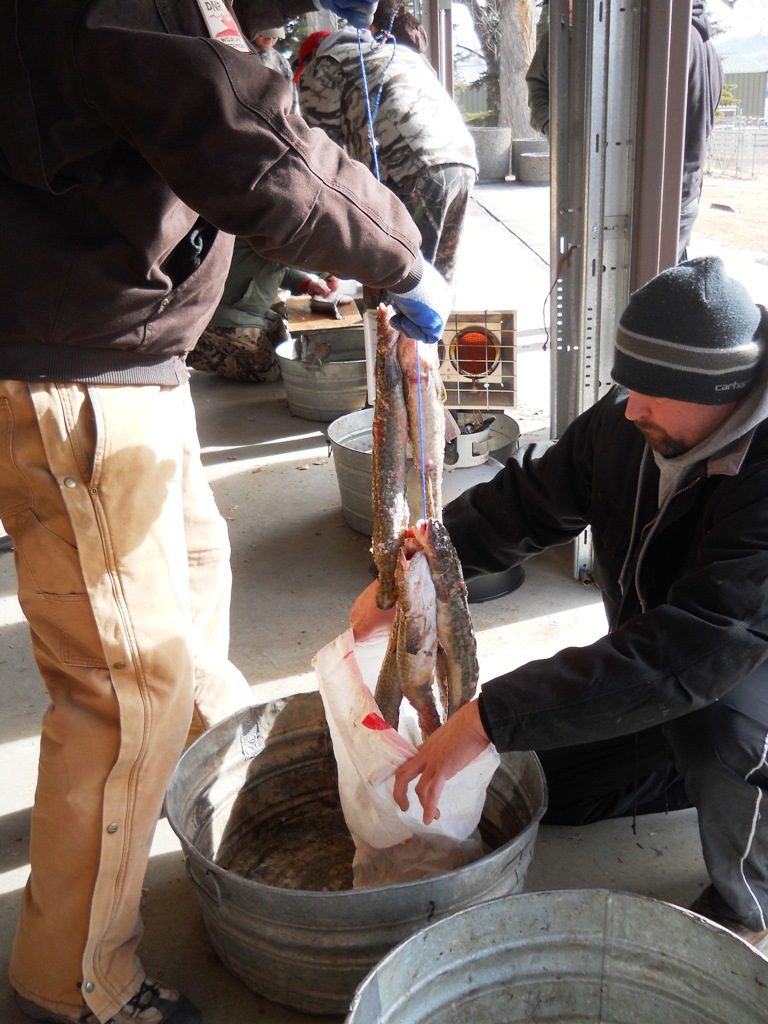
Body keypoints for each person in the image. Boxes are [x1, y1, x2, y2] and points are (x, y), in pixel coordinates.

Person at [1, 1, 452, 1022]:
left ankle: (224, 801)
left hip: (123, 351)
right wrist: (401, 256)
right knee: (126, 687)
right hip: (75, 369)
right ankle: (74, 985)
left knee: (196, 585)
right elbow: (251, 144)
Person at [354, 256, 768, 949]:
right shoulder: (629, 419)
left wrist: (489, 716)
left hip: (735, 669)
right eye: (629, 385)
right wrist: (410, 578)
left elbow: (696, 645)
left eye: (655, 393)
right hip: (666, 660)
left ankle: (750, 898)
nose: (631, 408)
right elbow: (528, 501)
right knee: (548, 789)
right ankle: (683, 767)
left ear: (722, 390)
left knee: (719, 730)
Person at [526, 1, 723, 262]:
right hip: (674, 198)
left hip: (648, 202)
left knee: (643, 280)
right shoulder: (701, 44)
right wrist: (558, 131)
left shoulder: (658, 38)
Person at [298, 11, 478, 289]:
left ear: (311, 57)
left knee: (396, 282)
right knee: (437, 284)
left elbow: (321, 155)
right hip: (461, 160)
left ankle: (387, 317)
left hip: (411, 167)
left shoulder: (324, 65)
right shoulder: (392, 51)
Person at [189, 238, 341, 382]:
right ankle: (194, 350)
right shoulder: (257, 227)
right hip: (227, 315)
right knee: (267, 370)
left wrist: (307, 284)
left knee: (284, 355)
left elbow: (277, 266)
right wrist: (327, 270)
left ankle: (210, 343)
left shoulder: (273, 239)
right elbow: (287, 252)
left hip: (253, 312)